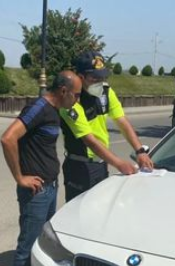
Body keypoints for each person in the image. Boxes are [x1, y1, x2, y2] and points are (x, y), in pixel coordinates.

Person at [0, 70, 82, 266]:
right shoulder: (39, 108)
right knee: (27, 247)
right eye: (76, 95)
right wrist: (20, 177)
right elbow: (8, 138)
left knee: (41, 245)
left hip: (49, 188)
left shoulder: (55, 110)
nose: (77, 100)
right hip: (35, 192)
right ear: (63, 91)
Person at [59, 51, 153, 202]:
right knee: (79, 214)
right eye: (95, 78)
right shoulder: (71, 101)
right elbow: (89, 140)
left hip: (101, 164)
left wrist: (140, 151)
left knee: (101, 209)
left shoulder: (106, 93)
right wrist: (119, 163)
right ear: (81, 77)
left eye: (102, 77)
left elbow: (122, 122)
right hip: (80, 167)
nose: (100, 82)